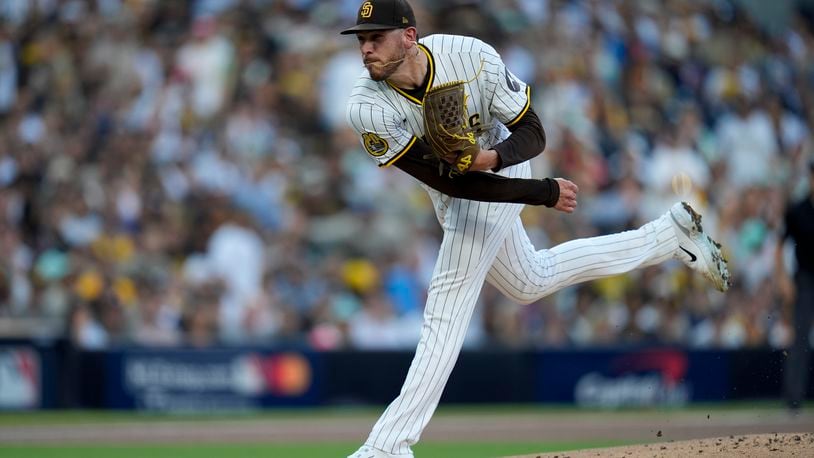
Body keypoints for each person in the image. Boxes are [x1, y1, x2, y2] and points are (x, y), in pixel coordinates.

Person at [340, 1, 730, 456]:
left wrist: (502, 165)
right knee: (530, 281)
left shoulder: (468, 55)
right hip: (461, 191)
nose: (366, 49)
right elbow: (450, 181)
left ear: (409, 37)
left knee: (445, 309)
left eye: (376, 37)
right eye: (362, 39)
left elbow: (532, 131)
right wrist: (539, 193)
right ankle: (668, 236)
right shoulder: (366, 105)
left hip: (504, 166)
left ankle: (388, 446)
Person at [777, 159, 814, 414]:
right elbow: (779, 246)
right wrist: (782, 278)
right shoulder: (797, 209)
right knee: (799, 339)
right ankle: (793, 400)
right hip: (805, 280)